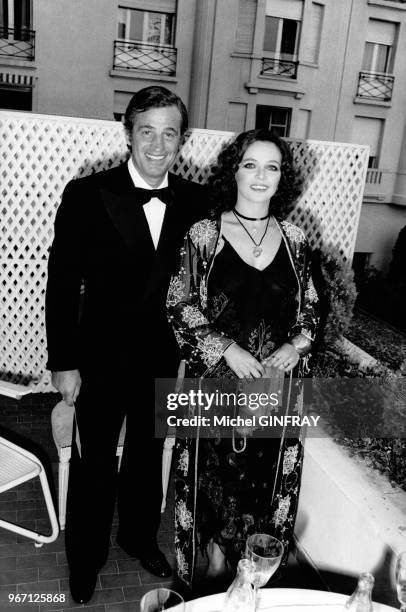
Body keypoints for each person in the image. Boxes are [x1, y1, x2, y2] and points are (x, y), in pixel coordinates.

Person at [45, 86, 207, 604]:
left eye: (170, 132)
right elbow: (62, 283)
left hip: (163, 358)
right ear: (129, 133)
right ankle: (85, 560)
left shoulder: (197, 201)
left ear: (182, 139)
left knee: (147, 452)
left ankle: (138, 537)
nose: (158, 144)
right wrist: (63, 362)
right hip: (100, 357)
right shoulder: (88, 194)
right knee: (95, 464)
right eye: (147, 130)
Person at [166, 129, 319, 587]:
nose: (260, 175)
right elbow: (179, 305)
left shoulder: (294, 240)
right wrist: (227, 350)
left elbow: (310, 310)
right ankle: (209, 590)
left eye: (271, 167)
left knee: (264, 495)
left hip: (275, 398)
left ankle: (252, 587)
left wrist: (295, 345)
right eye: (250, 164)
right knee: (213, 500)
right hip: (215, 392)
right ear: (233, 170)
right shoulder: (205, 235)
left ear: (282, 179)